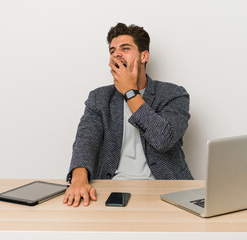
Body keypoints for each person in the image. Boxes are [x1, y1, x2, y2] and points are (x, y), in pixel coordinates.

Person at [63, 23, 193, 207]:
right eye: (112, 50)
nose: (117, 54)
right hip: (113, 189)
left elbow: (163, 139)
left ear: (144, 56)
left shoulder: (174, 94)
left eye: (125, 48)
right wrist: (78, 180)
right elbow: (86, 140)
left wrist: (130, 92)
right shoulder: (99, 98)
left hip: (167, 187)